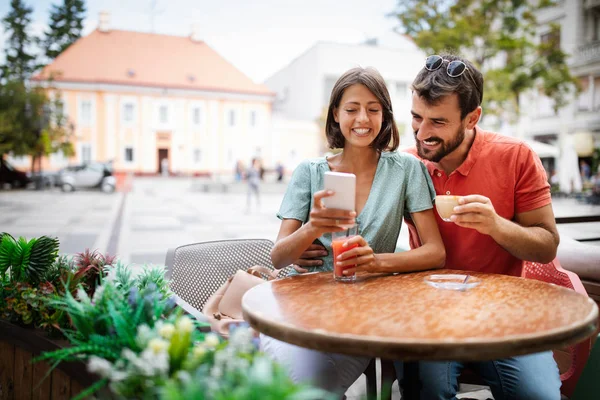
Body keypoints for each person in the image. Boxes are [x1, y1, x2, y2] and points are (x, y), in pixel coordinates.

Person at [263, 67, 446, 397]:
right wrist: (314, 227)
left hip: (365, 312)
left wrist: (376, 262)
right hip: (304, 307)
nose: (363, 118)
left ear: (385, 116)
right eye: (351, 109)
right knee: (287, 379)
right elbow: (279, 256)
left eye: (373, 109)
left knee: (312, 385)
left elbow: (436, 252)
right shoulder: (309, 171)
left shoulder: (406, 169)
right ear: (336, 114)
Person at [395, 54, 561, 399]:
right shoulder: (407, 164)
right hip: (430, 310)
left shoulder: (515, 156)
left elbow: (546, 246)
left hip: (504, 309)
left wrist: (496, 225)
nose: (422, 133)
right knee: (428, 389)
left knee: (539, 395)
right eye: (416, 117)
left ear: (473, 118)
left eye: (438, 122)